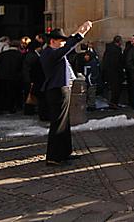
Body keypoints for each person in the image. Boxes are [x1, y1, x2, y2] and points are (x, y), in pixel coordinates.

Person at [40, 21, 93, 165]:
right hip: (57, 90)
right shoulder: (49, 53)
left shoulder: (55, 52)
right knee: (58, 123)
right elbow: (68, 47)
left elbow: (67, 49)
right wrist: (80, 33)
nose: (63, 43)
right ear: (52, 41)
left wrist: (76, 34)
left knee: (64, 121)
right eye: (61, 41)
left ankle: (64, 152)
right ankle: (53, 157)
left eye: (64, 41)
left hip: (63, 88)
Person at [0, 40, 24, 115]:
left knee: (1, 93)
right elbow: (22, 67)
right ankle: (11, 108)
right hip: (14, 77)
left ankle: (0, 108)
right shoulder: (20, 55)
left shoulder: (3, 54)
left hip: (2, 76)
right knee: (13, 93)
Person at [102, 36, 125, 109]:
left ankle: (113, 102)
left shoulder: (109, 49)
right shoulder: (116, 50)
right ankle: (113, 103)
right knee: (116, 89)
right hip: (115, 72)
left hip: (110, 72)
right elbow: (118, 62)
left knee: (112, 89)